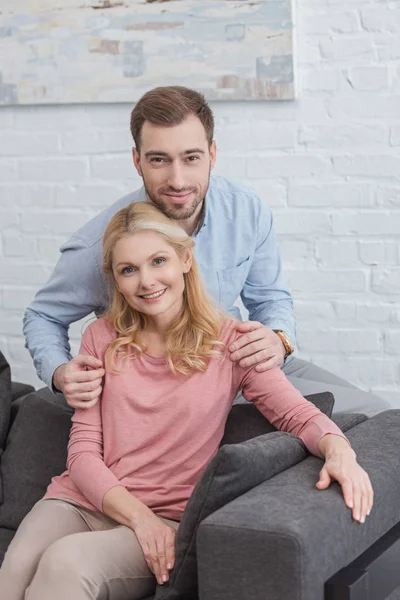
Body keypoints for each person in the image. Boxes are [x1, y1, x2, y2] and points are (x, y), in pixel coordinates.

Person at [1, 203, 373, 600]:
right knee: (11, 577)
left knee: (66, 565)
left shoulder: (233, 341)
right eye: (129, 270)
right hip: (82, 500)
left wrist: (340, 451)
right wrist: (138, 518)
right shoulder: (102, 336)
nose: (146, 281)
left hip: (167, 517)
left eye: (157, 260)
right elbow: (82, 453)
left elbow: (297, 415)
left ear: (185, 258)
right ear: (117, 281)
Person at [23, 86, 389, 416]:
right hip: (177, 386)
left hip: (243, 359)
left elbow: (271, 298)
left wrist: (279, 339)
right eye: (159, 160)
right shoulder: (102, 242)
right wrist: (59, 372)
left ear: (212, 154)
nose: (178, 180)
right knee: (337, 425)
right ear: (137, 161)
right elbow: (43, 316)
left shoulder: (247, 211)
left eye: (191, 158)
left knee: (379, 414)